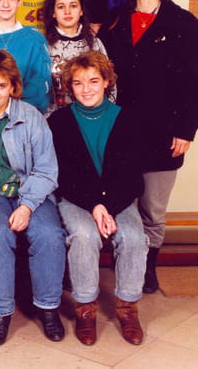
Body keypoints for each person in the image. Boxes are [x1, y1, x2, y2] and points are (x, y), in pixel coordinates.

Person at [100, 0, 198, 294]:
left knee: (153, 208)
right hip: (119, 130)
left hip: (164, 131)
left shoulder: (184, 23)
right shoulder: (116, 19)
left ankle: (148, 268)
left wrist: (186, 130)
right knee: (122, 202)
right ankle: (125, 262)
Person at [0, 50, 65, 346]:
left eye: (1, 85)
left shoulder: (31, 117)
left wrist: (27, 206)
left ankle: (48, 308)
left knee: (49, 234)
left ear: (13, 87)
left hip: (28, 189)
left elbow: (47, 170)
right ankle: (0, 313)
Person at [48, 51, 147, 346]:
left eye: (93, 81)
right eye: (78, 83)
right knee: (83, 235)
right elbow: (63, 176)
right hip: (77, 199)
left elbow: (132, 176)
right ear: (70, 87)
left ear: (106, 82)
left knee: (133, 236)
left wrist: (108, 206)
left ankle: (128, 307)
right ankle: (85, 308)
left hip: (119, 199)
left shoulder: (127, 119)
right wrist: (95, 205)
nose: (86, 89)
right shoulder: (59, 122)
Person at [42, 0, 113, 116]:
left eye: (73, 6)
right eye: (61, 7)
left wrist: (104, 117)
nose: (67, 11)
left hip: (91, 117)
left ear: (81, 11)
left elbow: (110, 85)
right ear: (53, 13)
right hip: (52, 119)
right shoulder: (43, 46)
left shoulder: (94, 44)